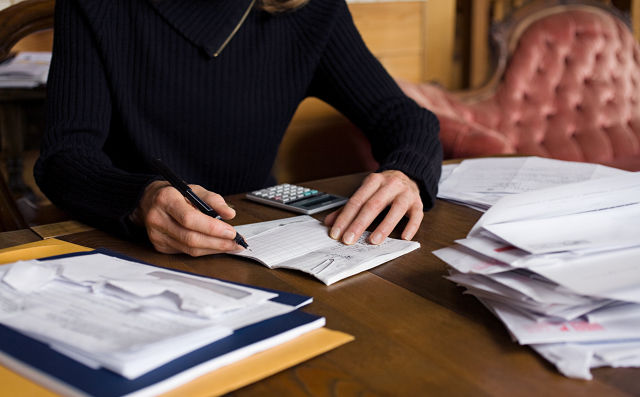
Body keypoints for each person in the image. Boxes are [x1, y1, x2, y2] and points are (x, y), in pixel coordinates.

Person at [35, 0, 442, 257]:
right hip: (130, 246)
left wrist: (405, 172)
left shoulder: (312, 10)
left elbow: (403, 116)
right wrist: (140, 198)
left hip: (263, 242)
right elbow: (64, 158)